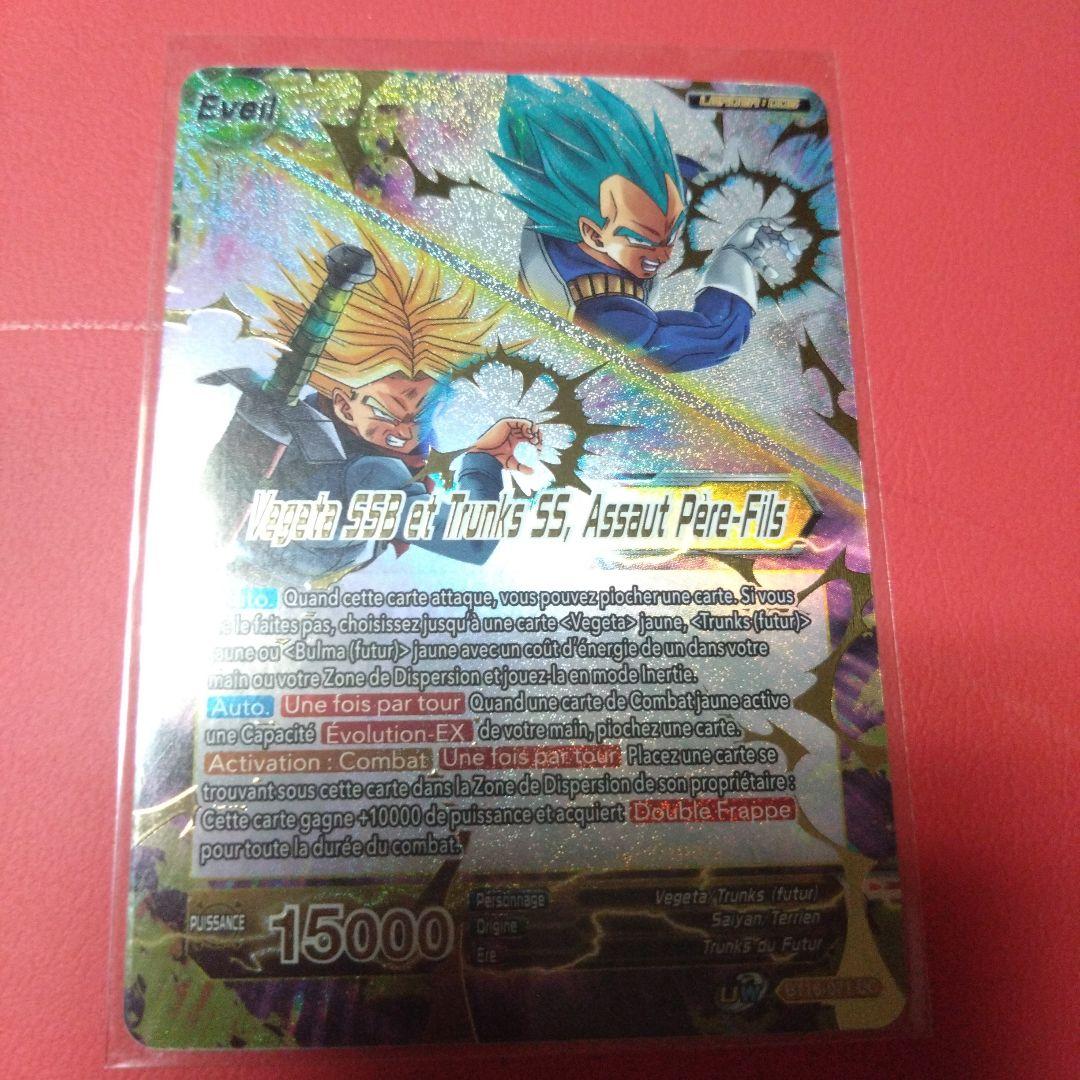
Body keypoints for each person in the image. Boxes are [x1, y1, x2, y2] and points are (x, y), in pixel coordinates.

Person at [491, 76, 794, 373]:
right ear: (593, 235)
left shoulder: (576, 194)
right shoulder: (604, 312)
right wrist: (734, 262)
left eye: (671, 233)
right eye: (642, 240)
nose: (664, 254)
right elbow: (715, 338)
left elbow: (655, 178)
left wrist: (714, 191)